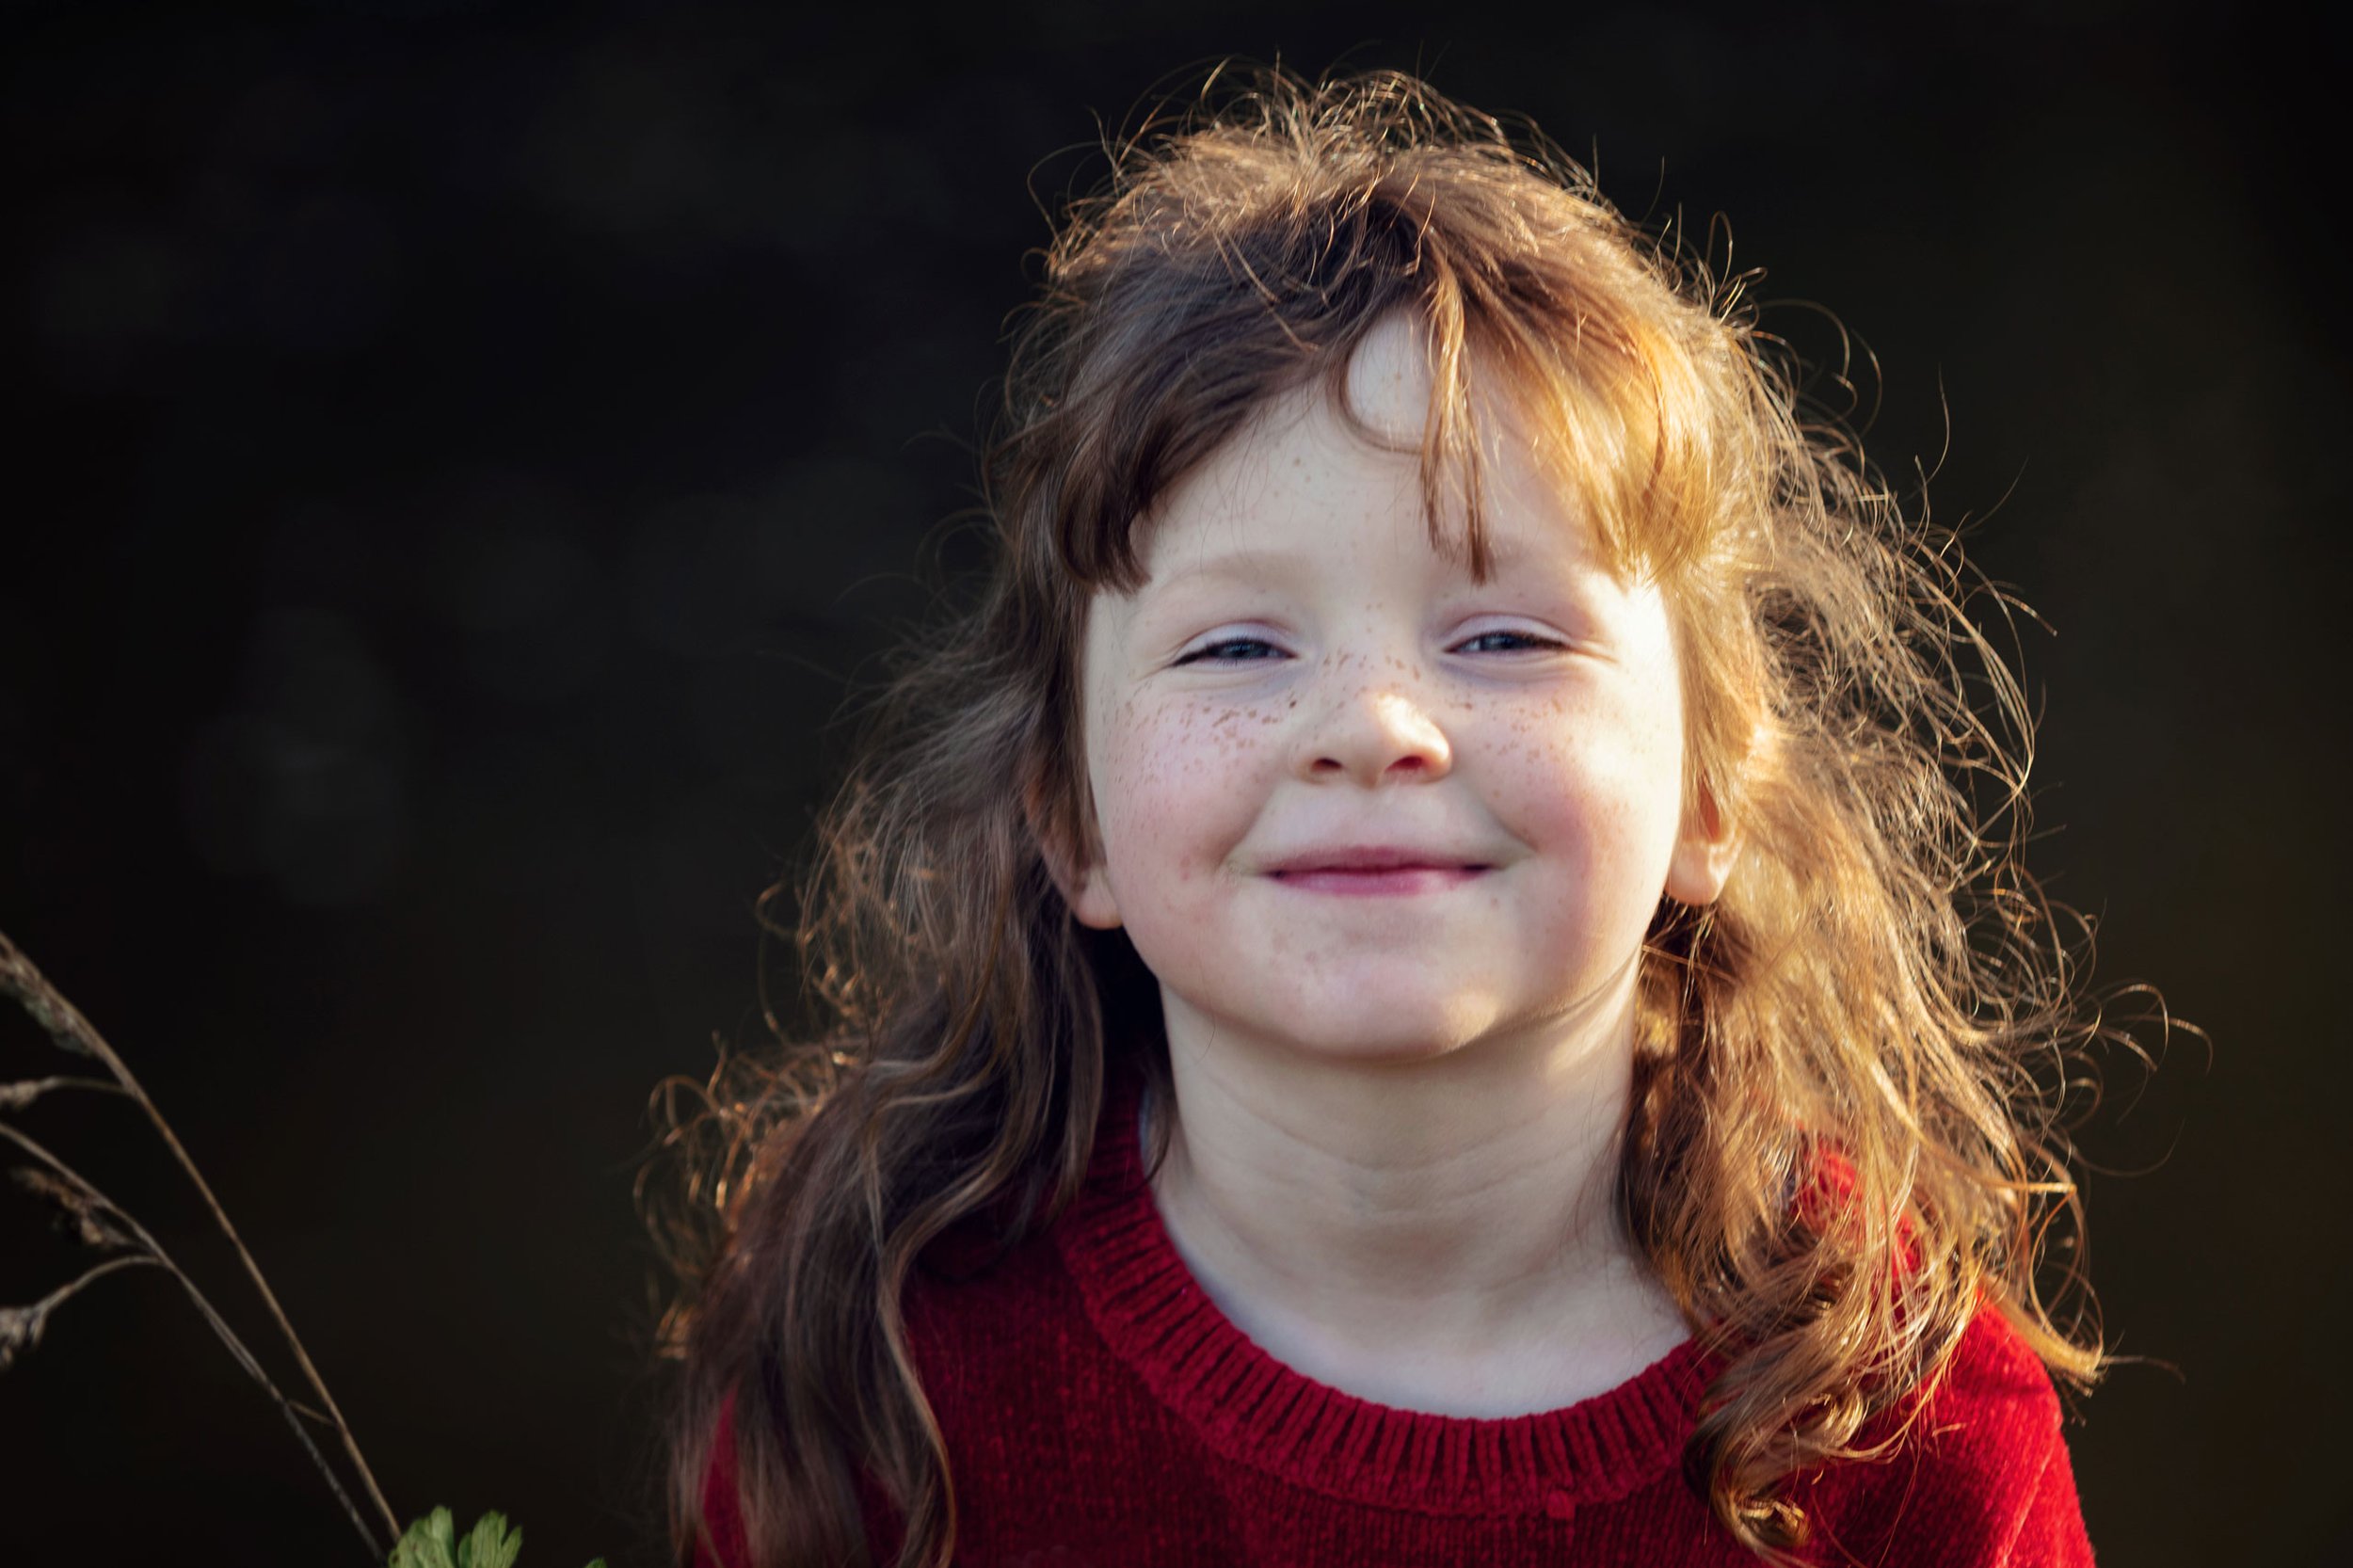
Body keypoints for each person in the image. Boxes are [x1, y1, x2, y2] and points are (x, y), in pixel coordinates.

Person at [657, 66, 2119, 1567]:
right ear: (1071, 816)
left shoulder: (1898, 1421)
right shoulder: (898, 1368)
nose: (1371, 725)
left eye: (1504, 638)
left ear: (1708, 783)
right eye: (1238, 647)